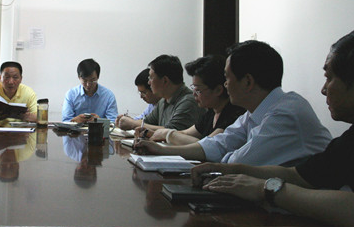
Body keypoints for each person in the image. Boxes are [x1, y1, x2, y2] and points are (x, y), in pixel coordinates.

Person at [192, 28, 354, 227]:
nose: (323, 89)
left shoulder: (287, 110)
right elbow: (299, 175)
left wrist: (266, 189)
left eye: (329, 78)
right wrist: (232, 170)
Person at [135, 41, 331, 166]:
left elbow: (238, 162)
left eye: (227, 78)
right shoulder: (254, 113)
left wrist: (216, 157)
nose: (225, 84)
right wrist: (162, 150)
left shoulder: (285, 114)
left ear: (248, 81)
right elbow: (218, 145)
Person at [149, 55, 245, 145]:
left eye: (198, 90)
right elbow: (185, 133)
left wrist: (167, 135)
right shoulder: (212, 113)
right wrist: (153, 133)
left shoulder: (233, 115)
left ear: (218, 90)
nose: (194, 93)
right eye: (193, 88)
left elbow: (206, 146)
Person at [116, 55, 204, 134]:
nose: (149, 82)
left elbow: (172, 132)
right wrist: (130, 121)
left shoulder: (188, 101)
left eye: (151, 78)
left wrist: (133, 124)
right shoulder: (163, 100)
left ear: (165, 80)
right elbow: (146, 122)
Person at [62, 58, 118, 123]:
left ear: (98, 77)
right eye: (85, 80)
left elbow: (113, 122)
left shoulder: (108, 96)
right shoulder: (71, 95)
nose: (88, 84)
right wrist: (75, 120)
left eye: (92, 80)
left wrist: (100, 121)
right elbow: (66, 120)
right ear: (79, 77)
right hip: (76, 129)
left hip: (99, 129)